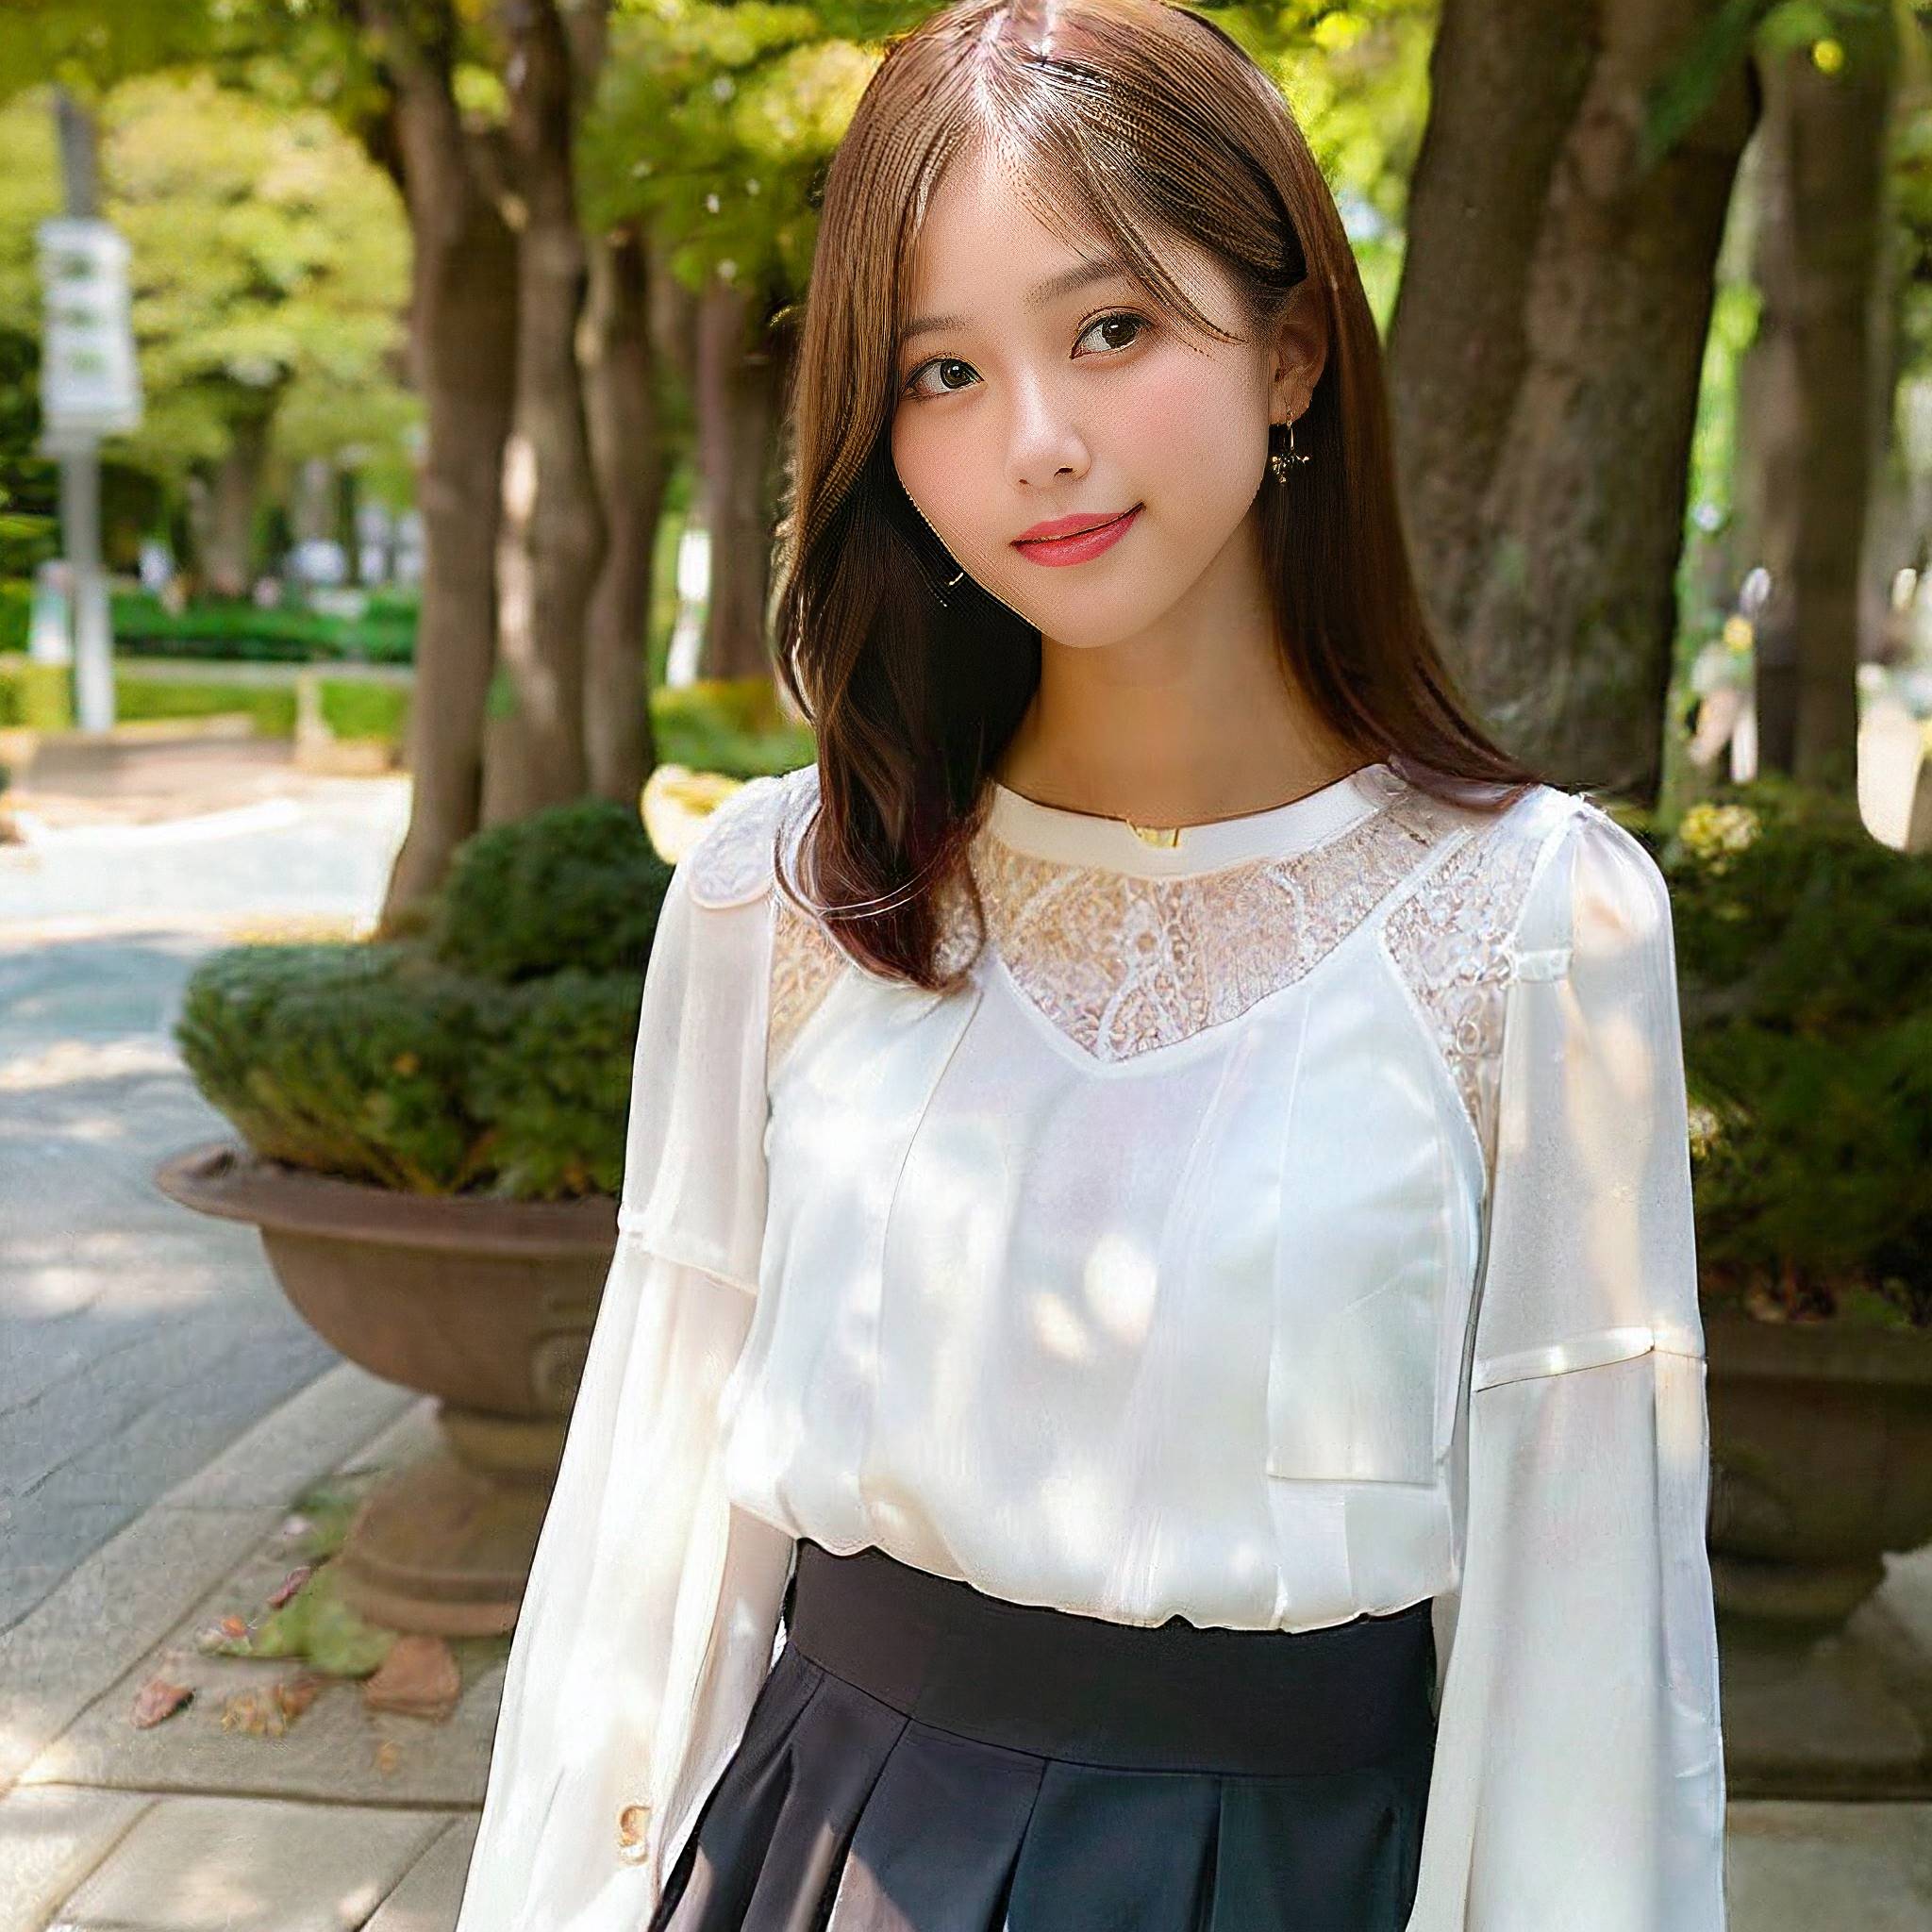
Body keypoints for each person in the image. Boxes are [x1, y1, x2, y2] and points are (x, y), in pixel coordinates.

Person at [451, 2, 1727, 1927]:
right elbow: (654, 1523)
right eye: (942, 370)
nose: (1032, 441)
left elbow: (1582, 1628)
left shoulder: (1537, 924)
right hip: (826, 1858)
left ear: (1290, 352)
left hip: (1295, 1874)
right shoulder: (785, 899)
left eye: (1108, 328)